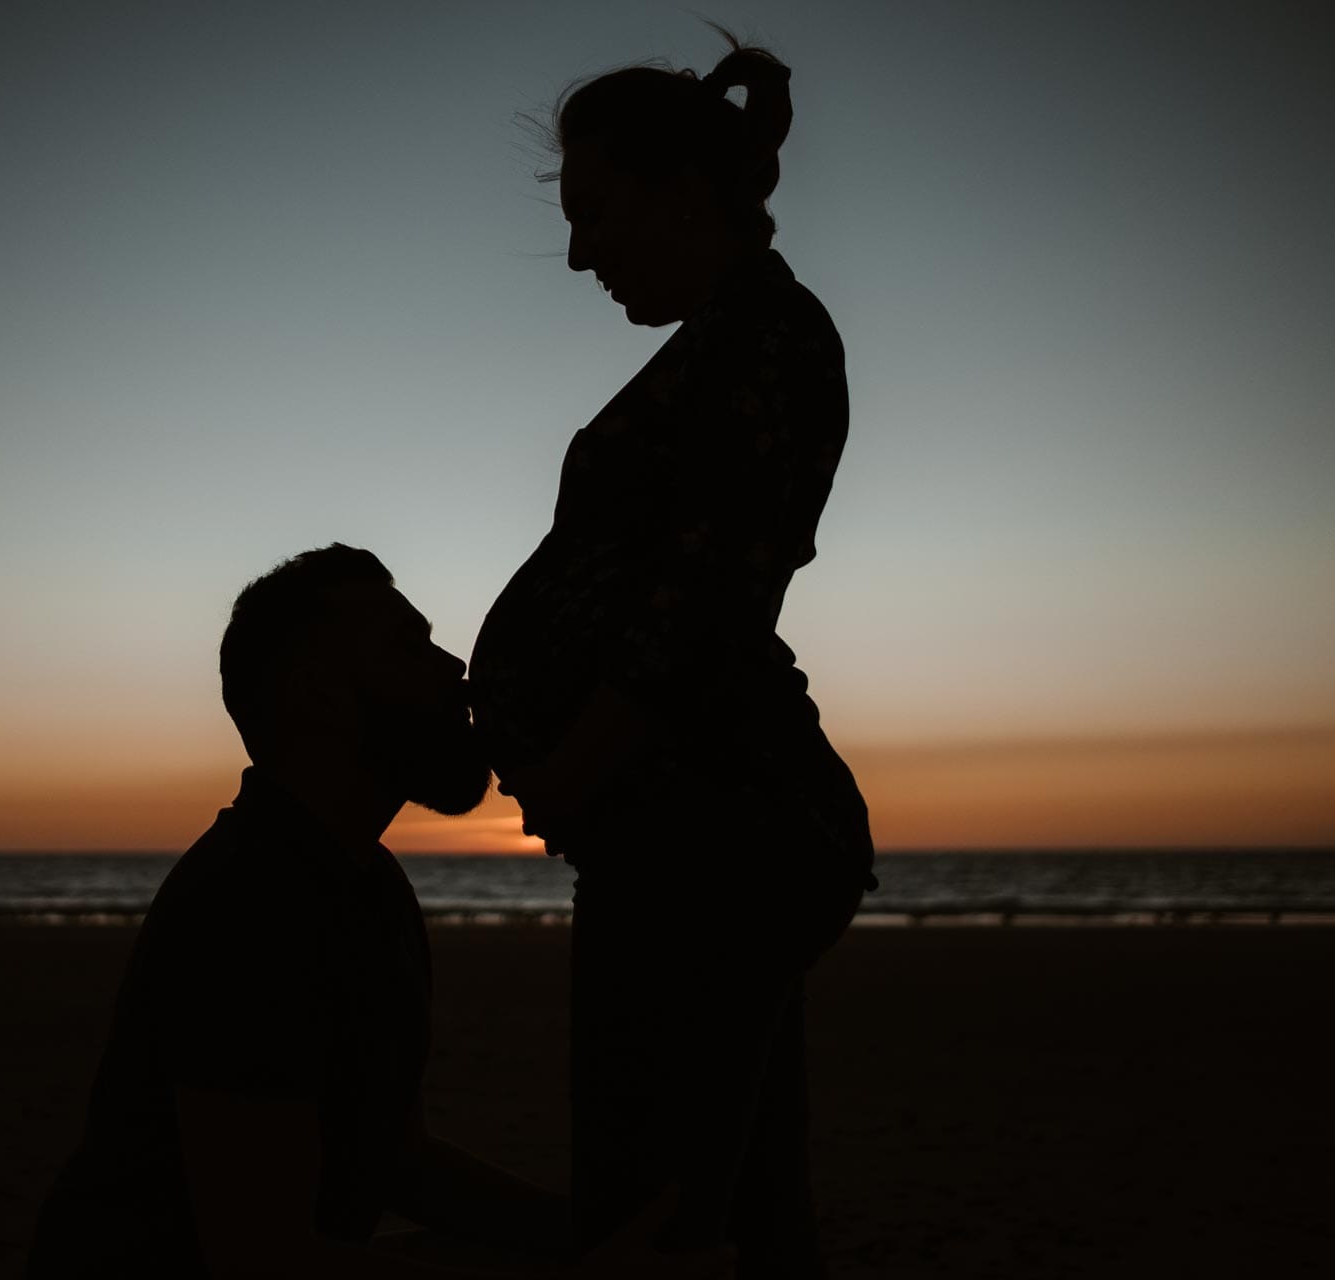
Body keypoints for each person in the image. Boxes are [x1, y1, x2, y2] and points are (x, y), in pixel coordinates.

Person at [29, 545, 730, 1278]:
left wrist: (586, 1235)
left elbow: (400, 1160)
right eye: (410, 646)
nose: (455, 667)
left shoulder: (365, 881)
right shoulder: (249, 905)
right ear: (319, 693)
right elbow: (261, 1258)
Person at [469, 32, 876, 1279]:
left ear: (683, 193)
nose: (582, 252)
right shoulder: (727, 341)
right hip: (680, 834)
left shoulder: (769, 340)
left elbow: (694, 612)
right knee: (720, 1210)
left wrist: (573, 768)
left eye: (597, 214)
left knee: (657, 1219)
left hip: (709, 834)